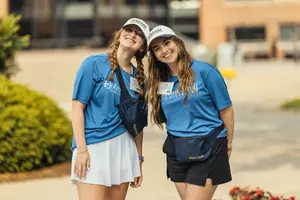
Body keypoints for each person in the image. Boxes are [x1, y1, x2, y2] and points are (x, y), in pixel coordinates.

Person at [146, 25, 234, 200]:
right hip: (177, 150)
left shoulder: (205, 71)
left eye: (167, 43)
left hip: (208, 146)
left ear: (177, 42)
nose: (164, 50)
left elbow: (226, 109)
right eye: (157, 48)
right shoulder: (160, 80)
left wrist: (228, 144)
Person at [70, 18, 149, 200]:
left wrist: (138, 159)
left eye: (138, 34)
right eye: (129, 29)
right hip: (92, 147)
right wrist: (81, 150)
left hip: (123, 149)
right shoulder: (94, 64)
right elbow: (77, 107)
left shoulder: (139, 79)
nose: (132, 35)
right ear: (120, 34)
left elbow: (138, 124)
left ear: (142, 46)